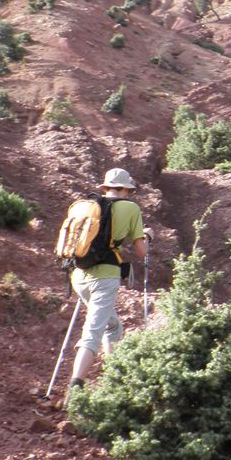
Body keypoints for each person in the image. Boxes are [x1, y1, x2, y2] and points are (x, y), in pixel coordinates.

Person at [65, 168, 150, 402]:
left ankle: (113, 375)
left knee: (112, 326)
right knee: (92, 332)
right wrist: (147, 237)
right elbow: (141, 251)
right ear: (125, 189)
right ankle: (75, 387)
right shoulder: (130, 208)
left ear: (106, 188)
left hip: (79, 275)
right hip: (105, 278)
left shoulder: (87, 206)